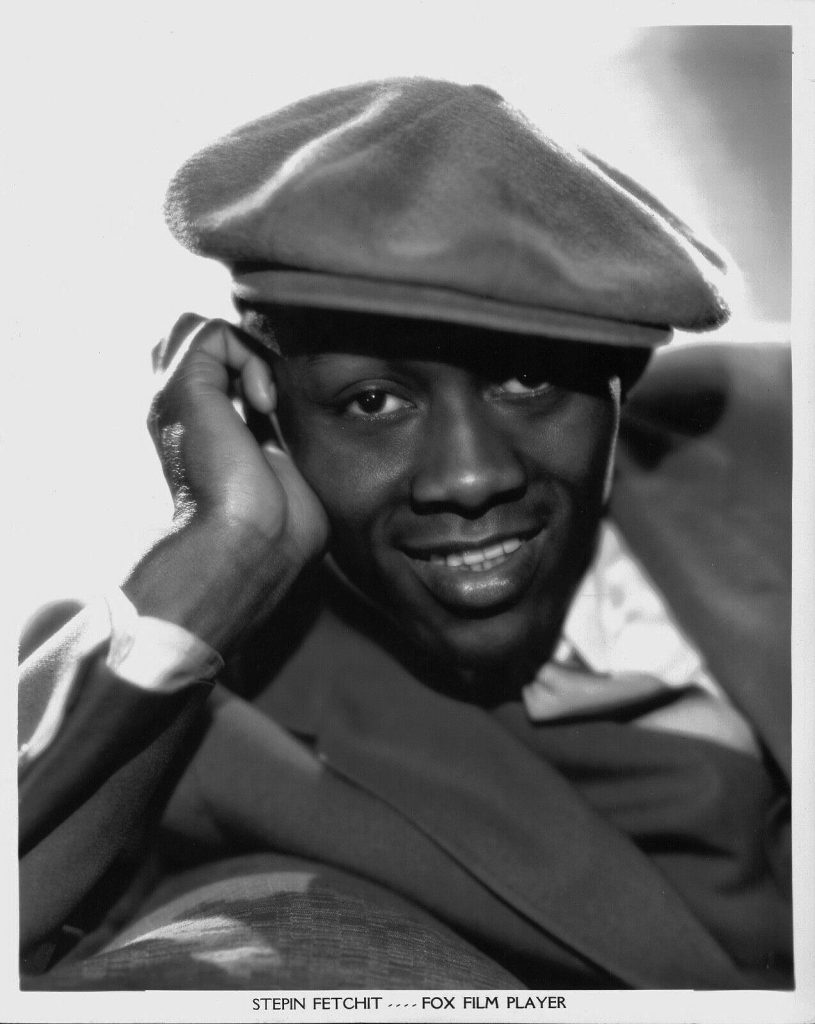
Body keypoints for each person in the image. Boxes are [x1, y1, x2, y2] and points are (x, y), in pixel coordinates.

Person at [18, 78, 792, 990]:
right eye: (372, 401)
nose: (469, 476)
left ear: (621, 380)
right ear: (263, 411)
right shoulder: (170, 698)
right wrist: (219, 554)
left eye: (528, 381)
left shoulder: (775, 432)